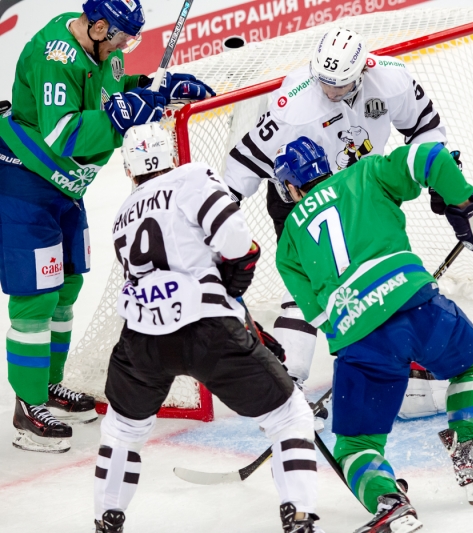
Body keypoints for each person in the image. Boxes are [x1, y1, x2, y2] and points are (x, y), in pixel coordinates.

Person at [0, 0, 215, 453]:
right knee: (35, 299)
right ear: (98, 26)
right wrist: (126, 113)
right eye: (120, 36)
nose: (125, 46)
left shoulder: (105, 50)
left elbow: (109, 94)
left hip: (65, 190)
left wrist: (156, 89)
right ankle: (27, 405)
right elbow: (66, 136)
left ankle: (50, 388)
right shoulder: (52, 56)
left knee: (65, 289)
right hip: (25, 187)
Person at [274, 136, 473, 533]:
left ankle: (391, 503)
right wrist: (464, 202)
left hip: (361, 340)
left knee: (355, 445)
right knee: (472, 362)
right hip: (418, 307)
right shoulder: (364, 173)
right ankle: (471, 458)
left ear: (291, 187)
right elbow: (430, 155)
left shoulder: (288, 242)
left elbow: (317, 314)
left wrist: (360, 331)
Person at [93, 123, 321, 533]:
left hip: (140, 340)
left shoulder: (123, 214)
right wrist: (233, 298)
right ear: (172, 157)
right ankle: (299, 518)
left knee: (122, 430)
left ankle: (106, 521)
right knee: (289, 417)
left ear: (129, 171)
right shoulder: (191, 177)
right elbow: (238, 245)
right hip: (207, 330)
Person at [224, 27, 449, 393]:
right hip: (299, 198)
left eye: (340, 85)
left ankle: (396, 354)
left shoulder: (392, 79)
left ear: (362, 72)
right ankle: (286, 380)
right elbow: (243, 164)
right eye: (323, 82)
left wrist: (443, 175)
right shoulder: (292, 105)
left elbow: (425, 127)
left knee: (378, 272)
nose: (329, 91)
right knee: (315, 286)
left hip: (360, 191)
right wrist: (218, 217)